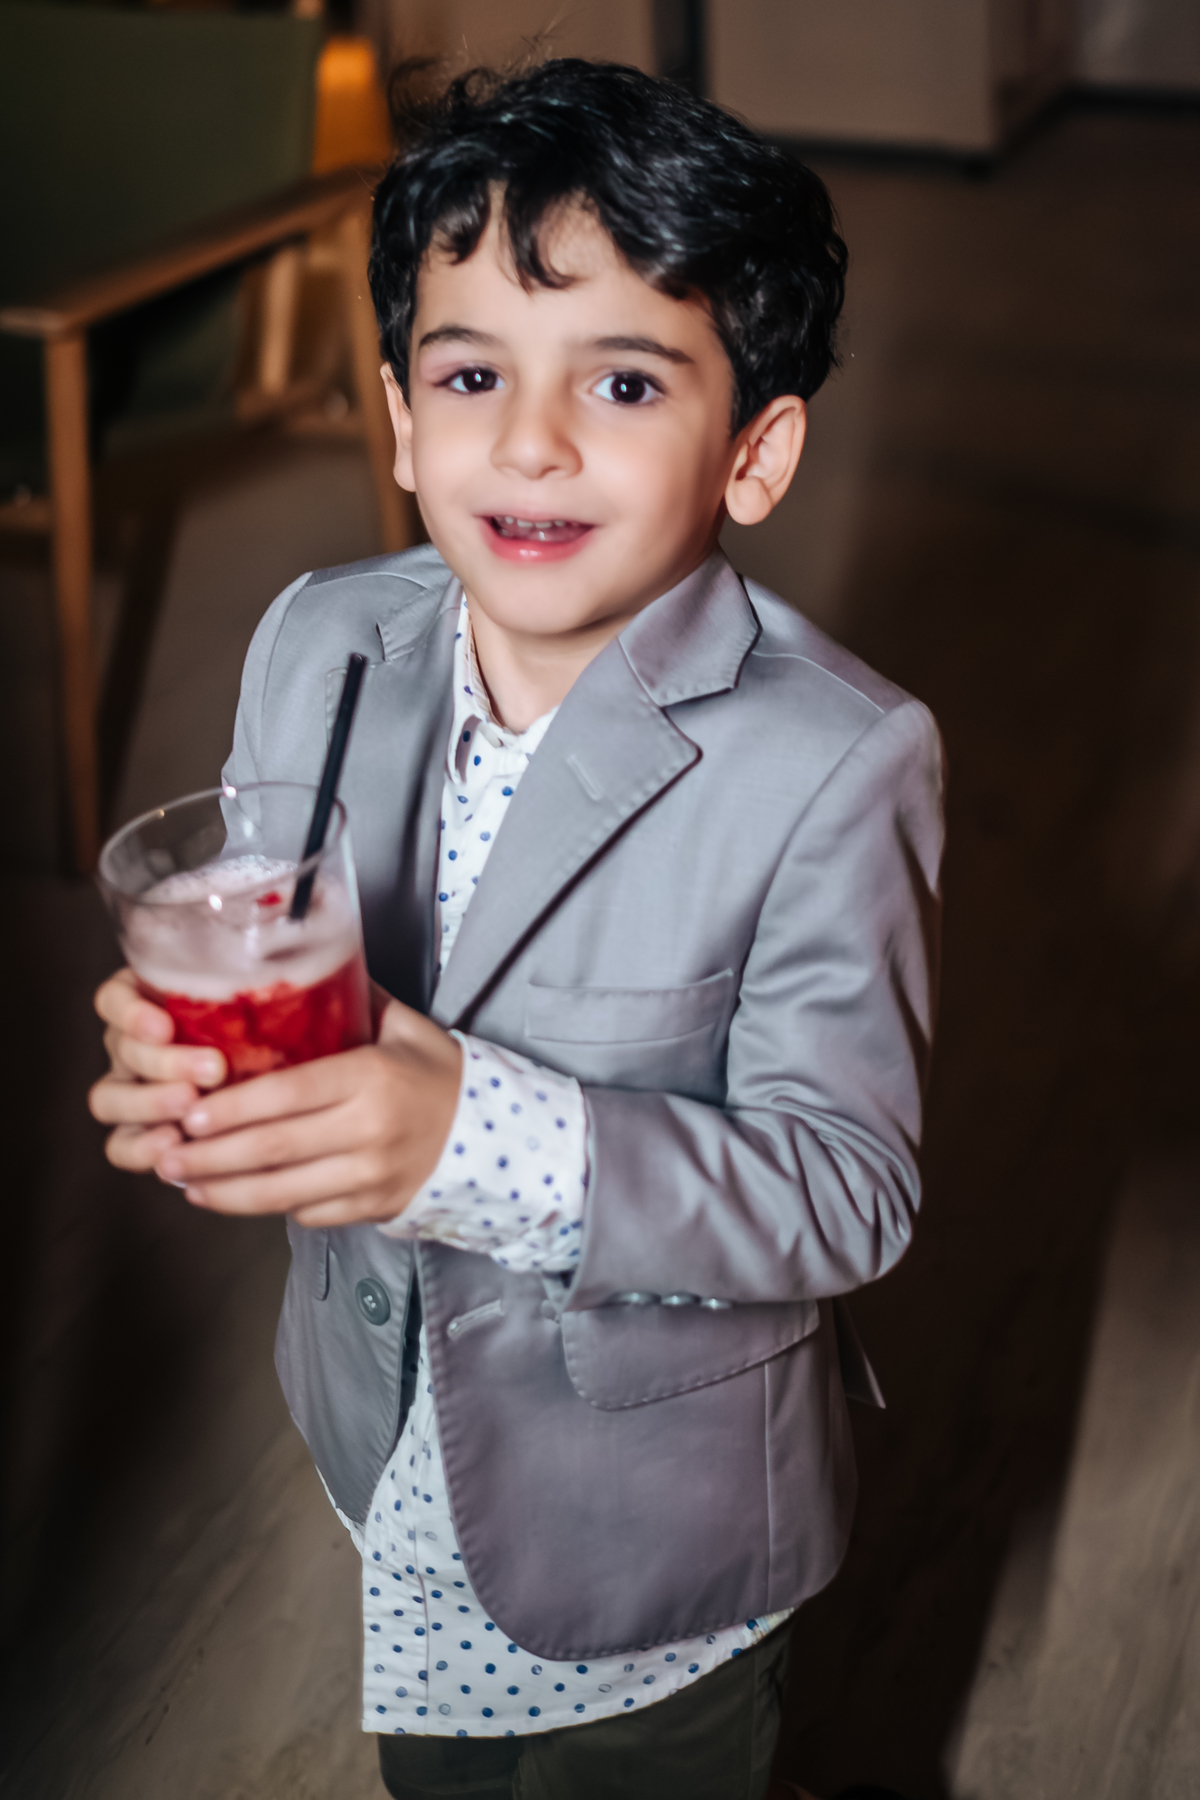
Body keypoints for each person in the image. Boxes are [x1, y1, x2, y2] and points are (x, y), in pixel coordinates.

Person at [89, 58, 942, 1800]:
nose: (530, 441)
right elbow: (263, 934)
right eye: (471, 373)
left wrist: (469, 1134)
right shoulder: (315, 639)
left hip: (650, 1540)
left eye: (623, 381)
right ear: (401, 420)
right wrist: (195, 1067)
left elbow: (848, 1187)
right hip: (382, 1446)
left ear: (755, 452)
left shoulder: (841, 761)